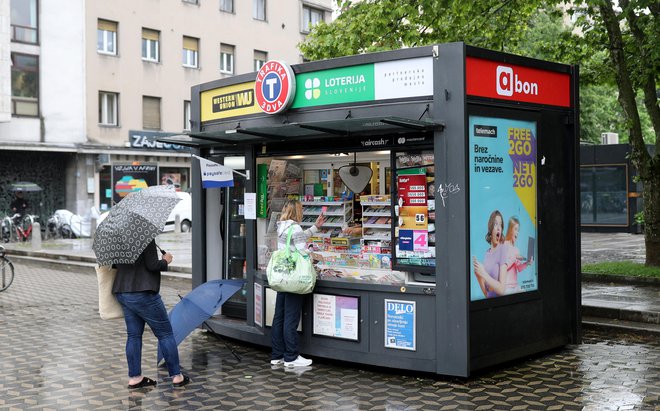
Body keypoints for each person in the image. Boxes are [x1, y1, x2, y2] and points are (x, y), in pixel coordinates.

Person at [113, 240, 190, 389]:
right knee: (165, 334)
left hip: (123, 291)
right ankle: (177, 377)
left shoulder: (119, 238)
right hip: (143, 292)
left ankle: (135, 378)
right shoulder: (144, 237)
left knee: (133, 335)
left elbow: (115, 265)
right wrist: (166, 260)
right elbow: (152, 265)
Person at [270, 199, 324, 368]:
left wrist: (315, 227)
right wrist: (313, 253)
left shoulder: (282, 227)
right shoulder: (295, 227)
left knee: (279, 317)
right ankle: (291, 357)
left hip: (283, 277)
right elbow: (302, 251)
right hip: (295, 278)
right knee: (291, 319)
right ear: (297, 211)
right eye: (301, 209)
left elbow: (295, 240)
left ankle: (277, 355)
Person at [472, 210, 510, 298]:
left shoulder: (503, 249)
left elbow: (501, 290)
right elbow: (487, 294)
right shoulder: (487, 254)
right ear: (491, 228)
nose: (498, 228)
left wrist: (483, 273)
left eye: (500, 225)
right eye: (496, 224)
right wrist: (479, 276)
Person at [501, 216, 533, 294]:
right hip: (506, 287)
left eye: (518, 230)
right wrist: (514, 257)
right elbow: (503, 268)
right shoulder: (504, 245)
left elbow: (518, 268)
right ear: (510, 230)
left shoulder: (516, 249)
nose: (517, 232)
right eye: (515, 229)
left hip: (515, 286)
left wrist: (527, 263)